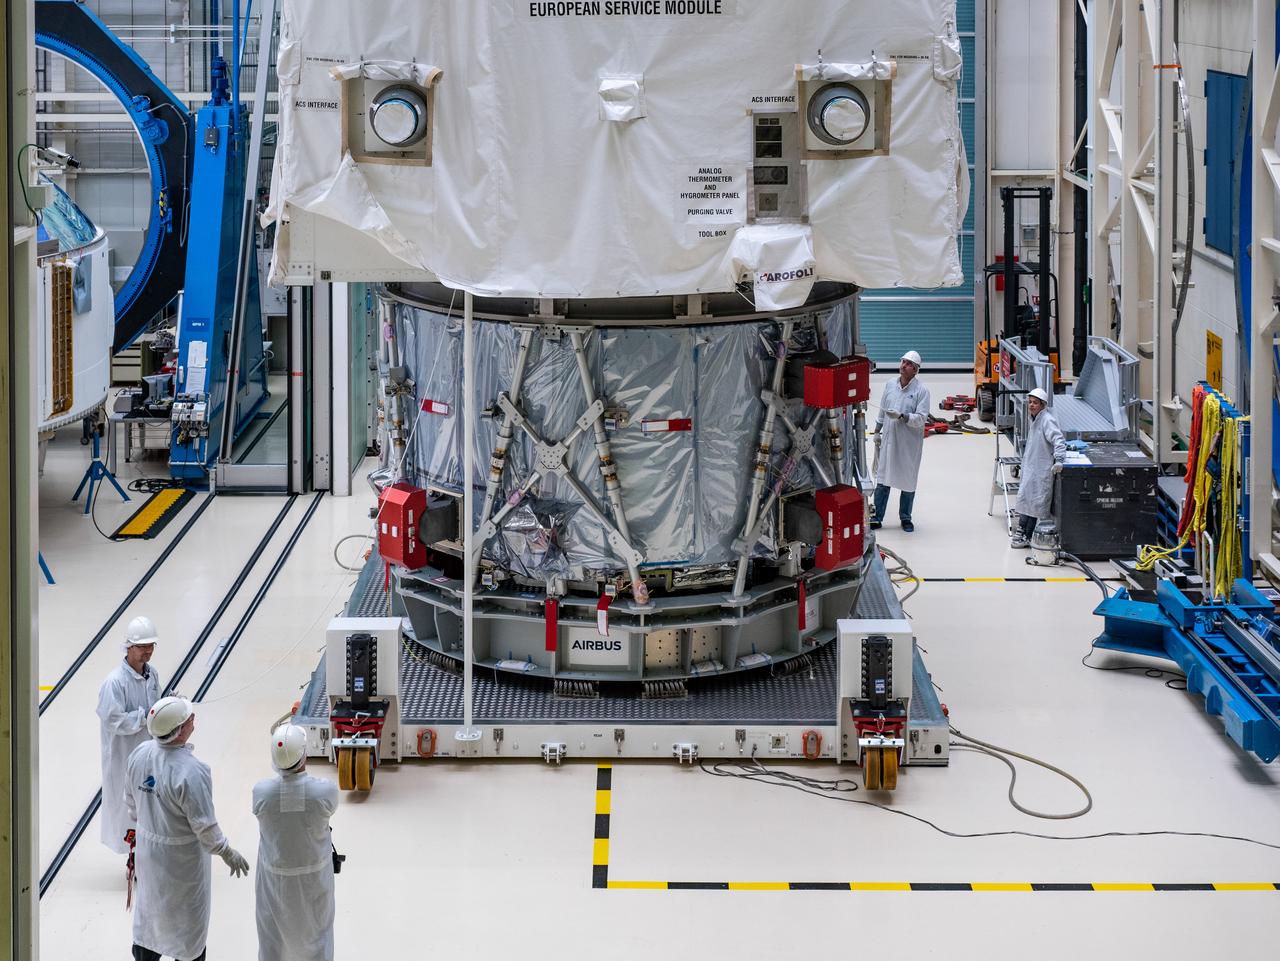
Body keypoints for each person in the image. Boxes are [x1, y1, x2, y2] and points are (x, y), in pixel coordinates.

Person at [125, 696, 250, 961]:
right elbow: (204, 826)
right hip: (182, 865)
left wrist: (149, 822)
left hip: (149, 853)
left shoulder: (140, 754)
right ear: (180, 730)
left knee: (150, 917)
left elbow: (130, 802)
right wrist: (227, 852)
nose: (193, 719)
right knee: (186, 927)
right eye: (189, 718)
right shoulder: (191, 772)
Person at [253, 724, 340, 961]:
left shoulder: (261, 793)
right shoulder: (324, 792)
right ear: (304, 754)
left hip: (274, 881)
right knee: (317, 933)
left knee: (272, 935)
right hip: (314, 880)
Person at [97, 615, 164, 855]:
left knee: (150, 804)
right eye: (142, 646)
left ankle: (147, 854)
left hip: (148, 754)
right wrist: (145, 716)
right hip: (123, 757)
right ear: (129, 646)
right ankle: (133, 857)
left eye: (151, 646)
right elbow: (113, 720)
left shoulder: (152, 674)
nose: (147, 651)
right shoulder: (115, 683)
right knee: (127, 809)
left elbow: (155, 707)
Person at [872, 349, 930, 532]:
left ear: (915, 370)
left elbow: (921, 418)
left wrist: (903, 416)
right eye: (903, 362)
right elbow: (882, 410)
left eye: (908, 364)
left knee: (908, 480)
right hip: (889, 441)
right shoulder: (890, 385)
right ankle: (877, 516)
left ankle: (906, 518)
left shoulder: (922, 391)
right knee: (883, 479)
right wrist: (877, 432)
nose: (903, 366)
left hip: (908, 445)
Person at [1012, 387, 1066, 548]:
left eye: (1035, 403)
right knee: (1027, 501)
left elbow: (1059, 440)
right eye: (1030, 402)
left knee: (1034, 504)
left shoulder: (1047, 420)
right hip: (1032, 468)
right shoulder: (1035, 419)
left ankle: (1026, 535)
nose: (1031, 405)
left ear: (1043, 405)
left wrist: (1059, 460)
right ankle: (1022, 531)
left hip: (1041, 470)